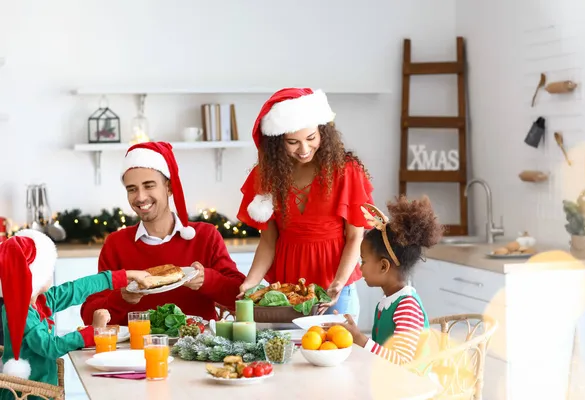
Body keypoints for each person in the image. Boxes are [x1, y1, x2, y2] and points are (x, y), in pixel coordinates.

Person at [236, 88, 373, 317]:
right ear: (277, 142)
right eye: (292, 142)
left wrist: (338, 283)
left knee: (333, 349)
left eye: (311, 138)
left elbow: (354, 236)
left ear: (322, 132)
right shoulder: (268, 176)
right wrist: (250, 282)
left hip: (333, 290)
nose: (304, 149)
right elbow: (269, 242)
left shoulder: (346, 171)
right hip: (287, 293)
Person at [80, 141, 245, 326]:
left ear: (169, 187)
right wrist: (122, 297)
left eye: (149, 186)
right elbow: (88, 314)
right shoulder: (116, 244)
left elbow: (240, 295)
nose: (140, 197)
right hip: (136, 350)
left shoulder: (204, 236)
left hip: (197, 349)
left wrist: (206, 279)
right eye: (132, 189)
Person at [0, 229, 149, 397]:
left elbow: (76, 289)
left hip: (43, 386)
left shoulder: (42, 300)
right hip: (26, 393)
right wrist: (93, 331)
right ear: (36, 277)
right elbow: (50, 347)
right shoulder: (21, 313)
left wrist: (123, 276)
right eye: (49, 269)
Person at [326, 195, 444, 365]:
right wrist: (354, 334)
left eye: (363, 261)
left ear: (383, 266)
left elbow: (403, 362)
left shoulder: (407, 307)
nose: (360, 268)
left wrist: (359, 339)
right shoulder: (389, 302)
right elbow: (383, 351)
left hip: (411, 387)